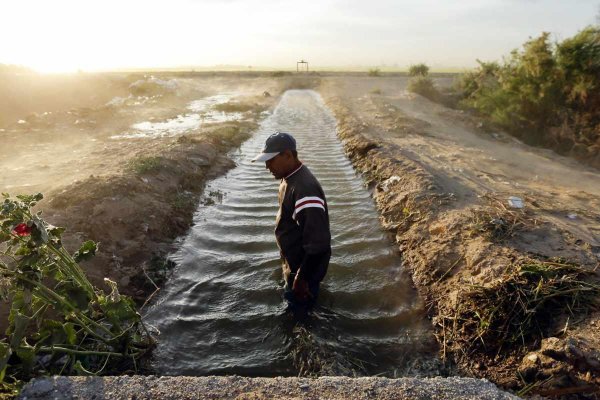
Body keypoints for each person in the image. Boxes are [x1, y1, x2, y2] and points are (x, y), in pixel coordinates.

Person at [252, 132, 331, 311]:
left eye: (270, 160)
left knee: (300, 320)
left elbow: (318, 244)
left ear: (287, 155)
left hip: (302, 273)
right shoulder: (290, 178)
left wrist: (301, 279)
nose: (266, 166)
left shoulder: (304, 189)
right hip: (295, 267)